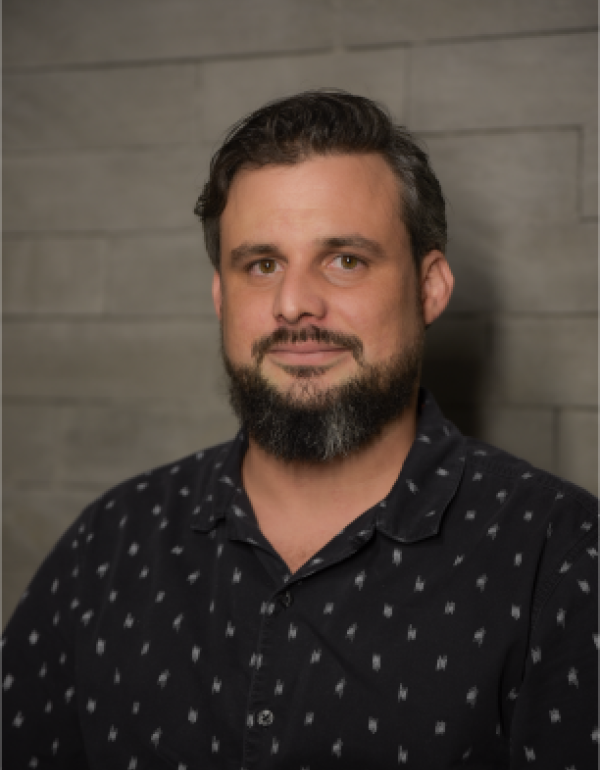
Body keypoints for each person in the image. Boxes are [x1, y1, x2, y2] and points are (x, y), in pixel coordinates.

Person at [1, 90, 599, 769]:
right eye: (262, 265)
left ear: (429, 287)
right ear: (221, 296)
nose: (293, 305)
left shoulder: (562, 558)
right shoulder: (109, 544)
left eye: (345, 260)